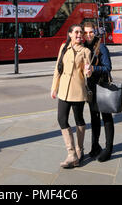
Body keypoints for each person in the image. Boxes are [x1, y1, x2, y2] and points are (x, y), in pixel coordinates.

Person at [51, 24, 92, 168]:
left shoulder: (86, 51)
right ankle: (71, 153)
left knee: (79, 119)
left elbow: (87, 72)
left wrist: (89, 70)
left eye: (81, 32)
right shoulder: (63, 48)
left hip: (78, 90)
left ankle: (79, 150)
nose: (79, 34)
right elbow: (58, 68)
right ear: (70, 34)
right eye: (76, 32)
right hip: (63, 90)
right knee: (61, 119)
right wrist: (54, 87)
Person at [83, 21, 114, 162]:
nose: (88, 35)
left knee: (106, 118)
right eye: (86, 32)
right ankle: (95, 146)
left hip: (102, 86)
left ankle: (108, 149)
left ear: (95, 32)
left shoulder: (101, 47)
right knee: (94, 118)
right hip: (91, 88)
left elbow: (108, 67)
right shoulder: (84, 46)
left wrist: (94, 69)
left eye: (91, 32)